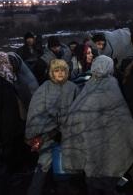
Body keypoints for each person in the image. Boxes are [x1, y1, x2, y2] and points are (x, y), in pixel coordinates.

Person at [62, 56, 133, 195]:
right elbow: (122, 116)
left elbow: (76, 112)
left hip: (91, 143)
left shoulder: (90, 85)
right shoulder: (112, 84)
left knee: (95, 179)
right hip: (110, 141)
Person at [25, 59, 78, 195]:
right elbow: (36, 112)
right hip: (47, 135)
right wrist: (50, 130)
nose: (60, 73)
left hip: (69, 133)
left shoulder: (73, 87)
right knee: (44, 163)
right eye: (56, 70)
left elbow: (79, 110)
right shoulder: (44, 88)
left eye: (63, 70)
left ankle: (63, 187)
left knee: (66, 162)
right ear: (51, 73)